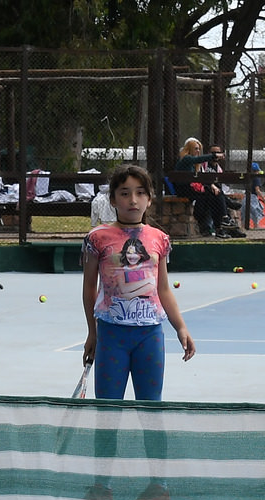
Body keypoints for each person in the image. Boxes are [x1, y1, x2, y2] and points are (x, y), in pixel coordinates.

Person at [81, 164, 197, 402]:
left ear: (149, 199)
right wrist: (92, 333)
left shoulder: (159, 239)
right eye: (124, 193)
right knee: (107, 409)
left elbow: (163, 288)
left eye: (140, 192)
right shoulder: (97, 238)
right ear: (113, 200)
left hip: (150, 336)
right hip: (111, 335)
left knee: (151, 407)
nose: (133, 200)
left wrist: (181, 327)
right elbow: (89, 288)